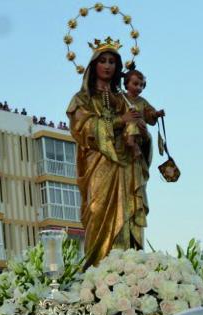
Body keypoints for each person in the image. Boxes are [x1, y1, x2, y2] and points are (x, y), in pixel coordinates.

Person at [67, 43, 165, 264]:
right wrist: (121, 121)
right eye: (103, 61)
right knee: (98, 210)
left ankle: (131, 269)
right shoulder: (82, 98)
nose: (108, 66)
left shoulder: (125, 98)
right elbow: (83, 127)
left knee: (128, 212)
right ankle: (97, 270)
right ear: (93, 65)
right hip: (99, 164)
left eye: (112, 62)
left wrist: (141, 131)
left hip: (127, 165)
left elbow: (142, 125)